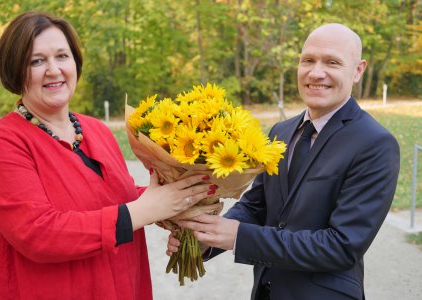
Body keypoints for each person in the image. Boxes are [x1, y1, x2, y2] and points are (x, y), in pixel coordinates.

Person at [0, 11, 217, 299]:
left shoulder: (95, 130)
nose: (54, 70)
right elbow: (38, 234)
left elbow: (114, 197)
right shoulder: (0, 143)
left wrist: (179, 200)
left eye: (62, 56)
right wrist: (147, 209)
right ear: (15, 70)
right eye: (36, 61)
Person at [167, 23, 400, 299]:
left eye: (332, 62)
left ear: (358, 70)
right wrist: (207, 238)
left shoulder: (375, 143)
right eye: (308, 61)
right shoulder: (281, 132)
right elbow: (257, 206)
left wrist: (240, 237)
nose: (316, 73)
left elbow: (341, 247)